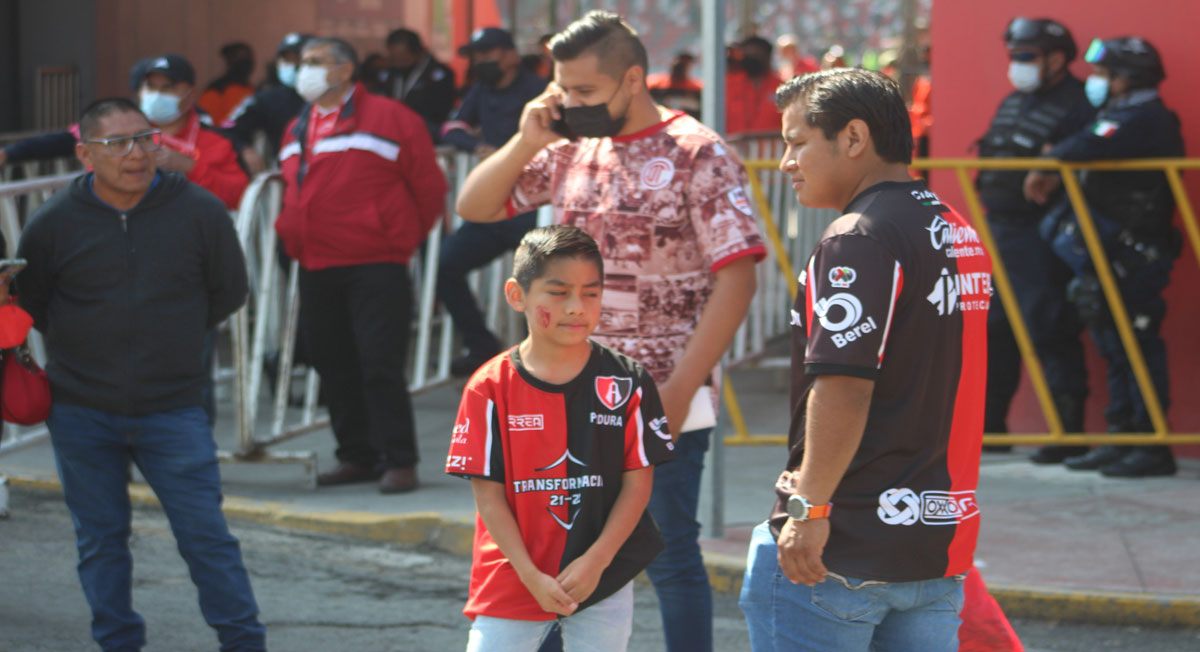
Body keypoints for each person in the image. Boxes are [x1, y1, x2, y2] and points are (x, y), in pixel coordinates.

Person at [455, 11, 765, 651]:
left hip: (661, 398)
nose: (572, 103)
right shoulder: (571, 147)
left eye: (586, 92)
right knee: (555, 551)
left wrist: (677, 392)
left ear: (633, 78)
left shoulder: (698, 153)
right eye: (564, 90)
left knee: (670, 554)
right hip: (560, 396)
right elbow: (476, 206)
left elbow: (738, 280)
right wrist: (526, 138)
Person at [738, 68, 992, 651]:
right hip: (935, 548)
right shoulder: (956, 230)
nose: (785, 163)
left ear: (853, 138)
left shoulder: (856, 238)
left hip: (841, 547)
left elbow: (846, 385)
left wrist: (808, 509)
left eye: (797, 142)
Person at [16, 97, 263, 652]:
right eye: (117, 143)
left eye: (146, 139)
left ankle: (245, 643)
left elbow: (229, 292)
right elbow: (34, 305)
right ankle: (118, 642)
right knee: (101, 542)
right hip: (80, 408)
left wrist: (170, 339)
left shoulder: (198, 210)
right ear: (85, 154)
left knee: (206, 539)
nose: (137, 153)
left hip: (174, 406)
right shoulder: (53, 222)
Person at [446, 224, 673, 651]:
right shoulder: (489, 386)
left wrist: (597, 561)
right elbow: (488, 497)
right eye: (558, 291)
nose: (576, 307)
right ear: (518, 296)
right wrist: (531, 575)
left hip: (600, 578)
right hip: (512, 578)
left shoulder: (627, 379)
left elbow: (638, 485)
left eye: (591, 292)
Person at [276, 37, 447, 493]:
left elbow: (429, 188)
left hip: (376, 262)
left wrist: (399, 238)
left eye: (316, 61)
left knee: (379, 364)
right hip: (316, 262)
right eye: (302, 62)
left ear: (346, 70)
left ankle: (400, 460)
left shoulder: (392, 118)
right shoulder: (297, 126)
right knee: (333, 363)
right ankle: (357, 455)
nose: (304, 70)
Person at [1025, 36, 1183, 477]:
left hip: (1135, 256)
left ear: (1127, 77)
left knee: (1137, 344)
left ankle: (1152, 444)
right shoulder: (1115, 113)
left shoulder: (1146, 117)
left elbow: (1087, 144)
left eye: (1103, 73)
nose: (1096, 82)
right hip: (1105, 253)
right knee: (1114, 344)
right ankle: (1122, 435)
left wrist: (1049, 162)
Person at [976, 17, 1095, 461]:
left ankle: (1068, 436)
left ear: (1057, 58)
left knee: (1050, 326)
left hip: (1044, 233)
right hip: (1003, 231)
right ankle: (992, 428)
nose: (1017, 65)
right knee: (996, 330)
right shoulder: (1015, 101)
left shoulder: (1078, 104)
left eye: (1026, 57)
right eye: (1014, 56)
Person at [0, 54, 249, 210]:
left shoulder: (215, 142)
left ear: (189, 93)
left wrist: (189, 167)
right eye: (151, 86)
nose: (157, 94)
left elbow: (238, 195)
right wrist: (9, 154)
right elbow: (62, 141)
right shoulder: (116, 125)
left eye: (168, 87)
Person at [439, 27, 548, 377]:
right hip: (492, 206)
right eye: (477, 56)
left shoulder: (538, 90)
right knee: (445, 266)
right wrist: (477, 148)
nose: (481, 62)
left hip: (532, 208)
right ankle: (482, 346)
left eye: (488, 54)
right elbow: (451, 128)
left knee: (540, 284)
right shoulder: (481, 89)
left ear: (510, 55)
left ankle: (543, 365)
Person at [225, 32, 313, 158]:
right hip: (283, 170)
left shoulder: (329, 96)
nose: (292, 65)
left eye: (298, 59)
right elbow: (229, 130)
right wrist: (244, 149)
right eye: (286, 59)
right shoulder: (267, 99)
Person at [384, 28, 456, 140]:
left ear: (418, 53)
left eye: (402, 59)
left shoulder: (439, 75)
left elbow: (440, 111)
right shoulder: (390, 72)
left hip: (428, 134)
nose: (398, 63)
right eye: (393, 58)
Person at [725, 36, 784, 135]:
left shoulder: (782, 87)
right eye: (747, 55)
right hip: (732, 146)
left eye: (756, 55)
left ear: (767, 56)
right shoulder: (728, 85)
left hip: (772, 147)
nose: (751, 59)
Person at [199, 42, 256, 125]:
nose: (245, 63)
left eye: (247, 58)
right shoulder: (216, 90)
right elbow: (206, 122)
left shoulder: (250, 89)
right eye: (239, 57)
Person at [647, 52, 703, 119]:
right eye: (679, 62)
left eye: (685, 64)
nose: (681, 65)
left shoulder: (696, 88)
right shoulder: (655, 84)